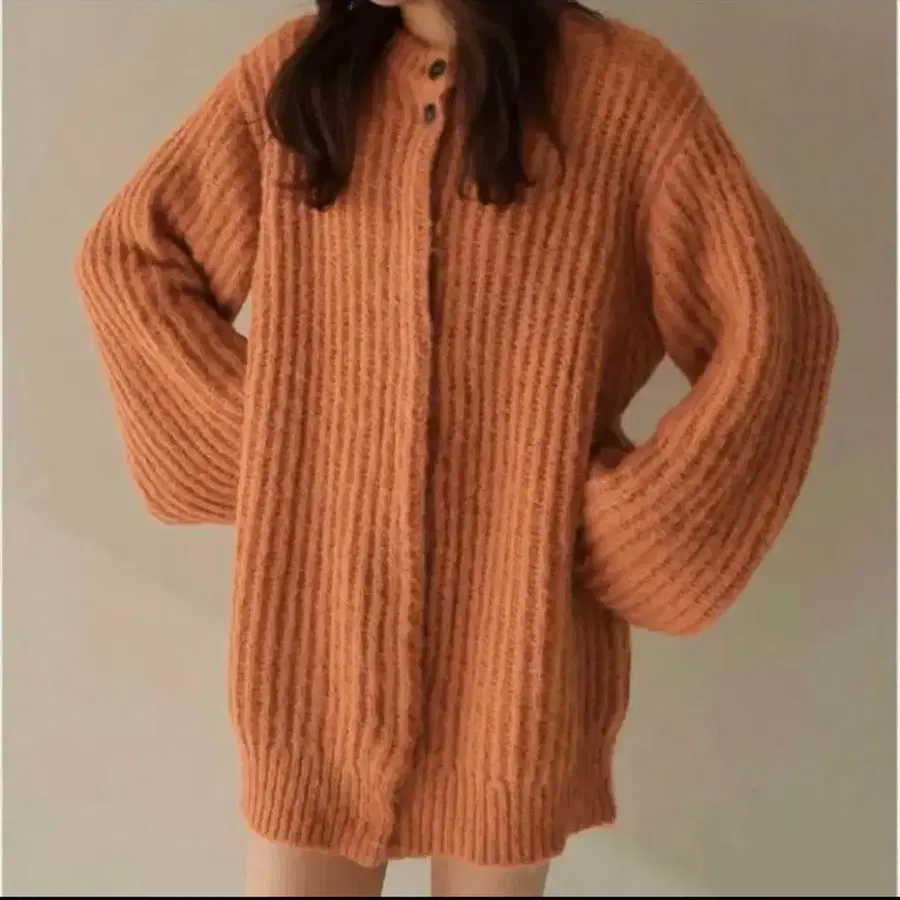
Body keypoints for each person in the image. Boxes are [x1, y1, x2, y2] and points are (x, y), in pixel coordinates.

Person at [75, 0, 839, 895]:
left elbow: (779, 326)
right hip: (317, 650)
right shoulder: (298, 79)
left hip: (515, 656)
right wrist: (289, 439)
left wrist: (631, 528)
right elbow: (130, 263)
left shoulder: (626, 95)